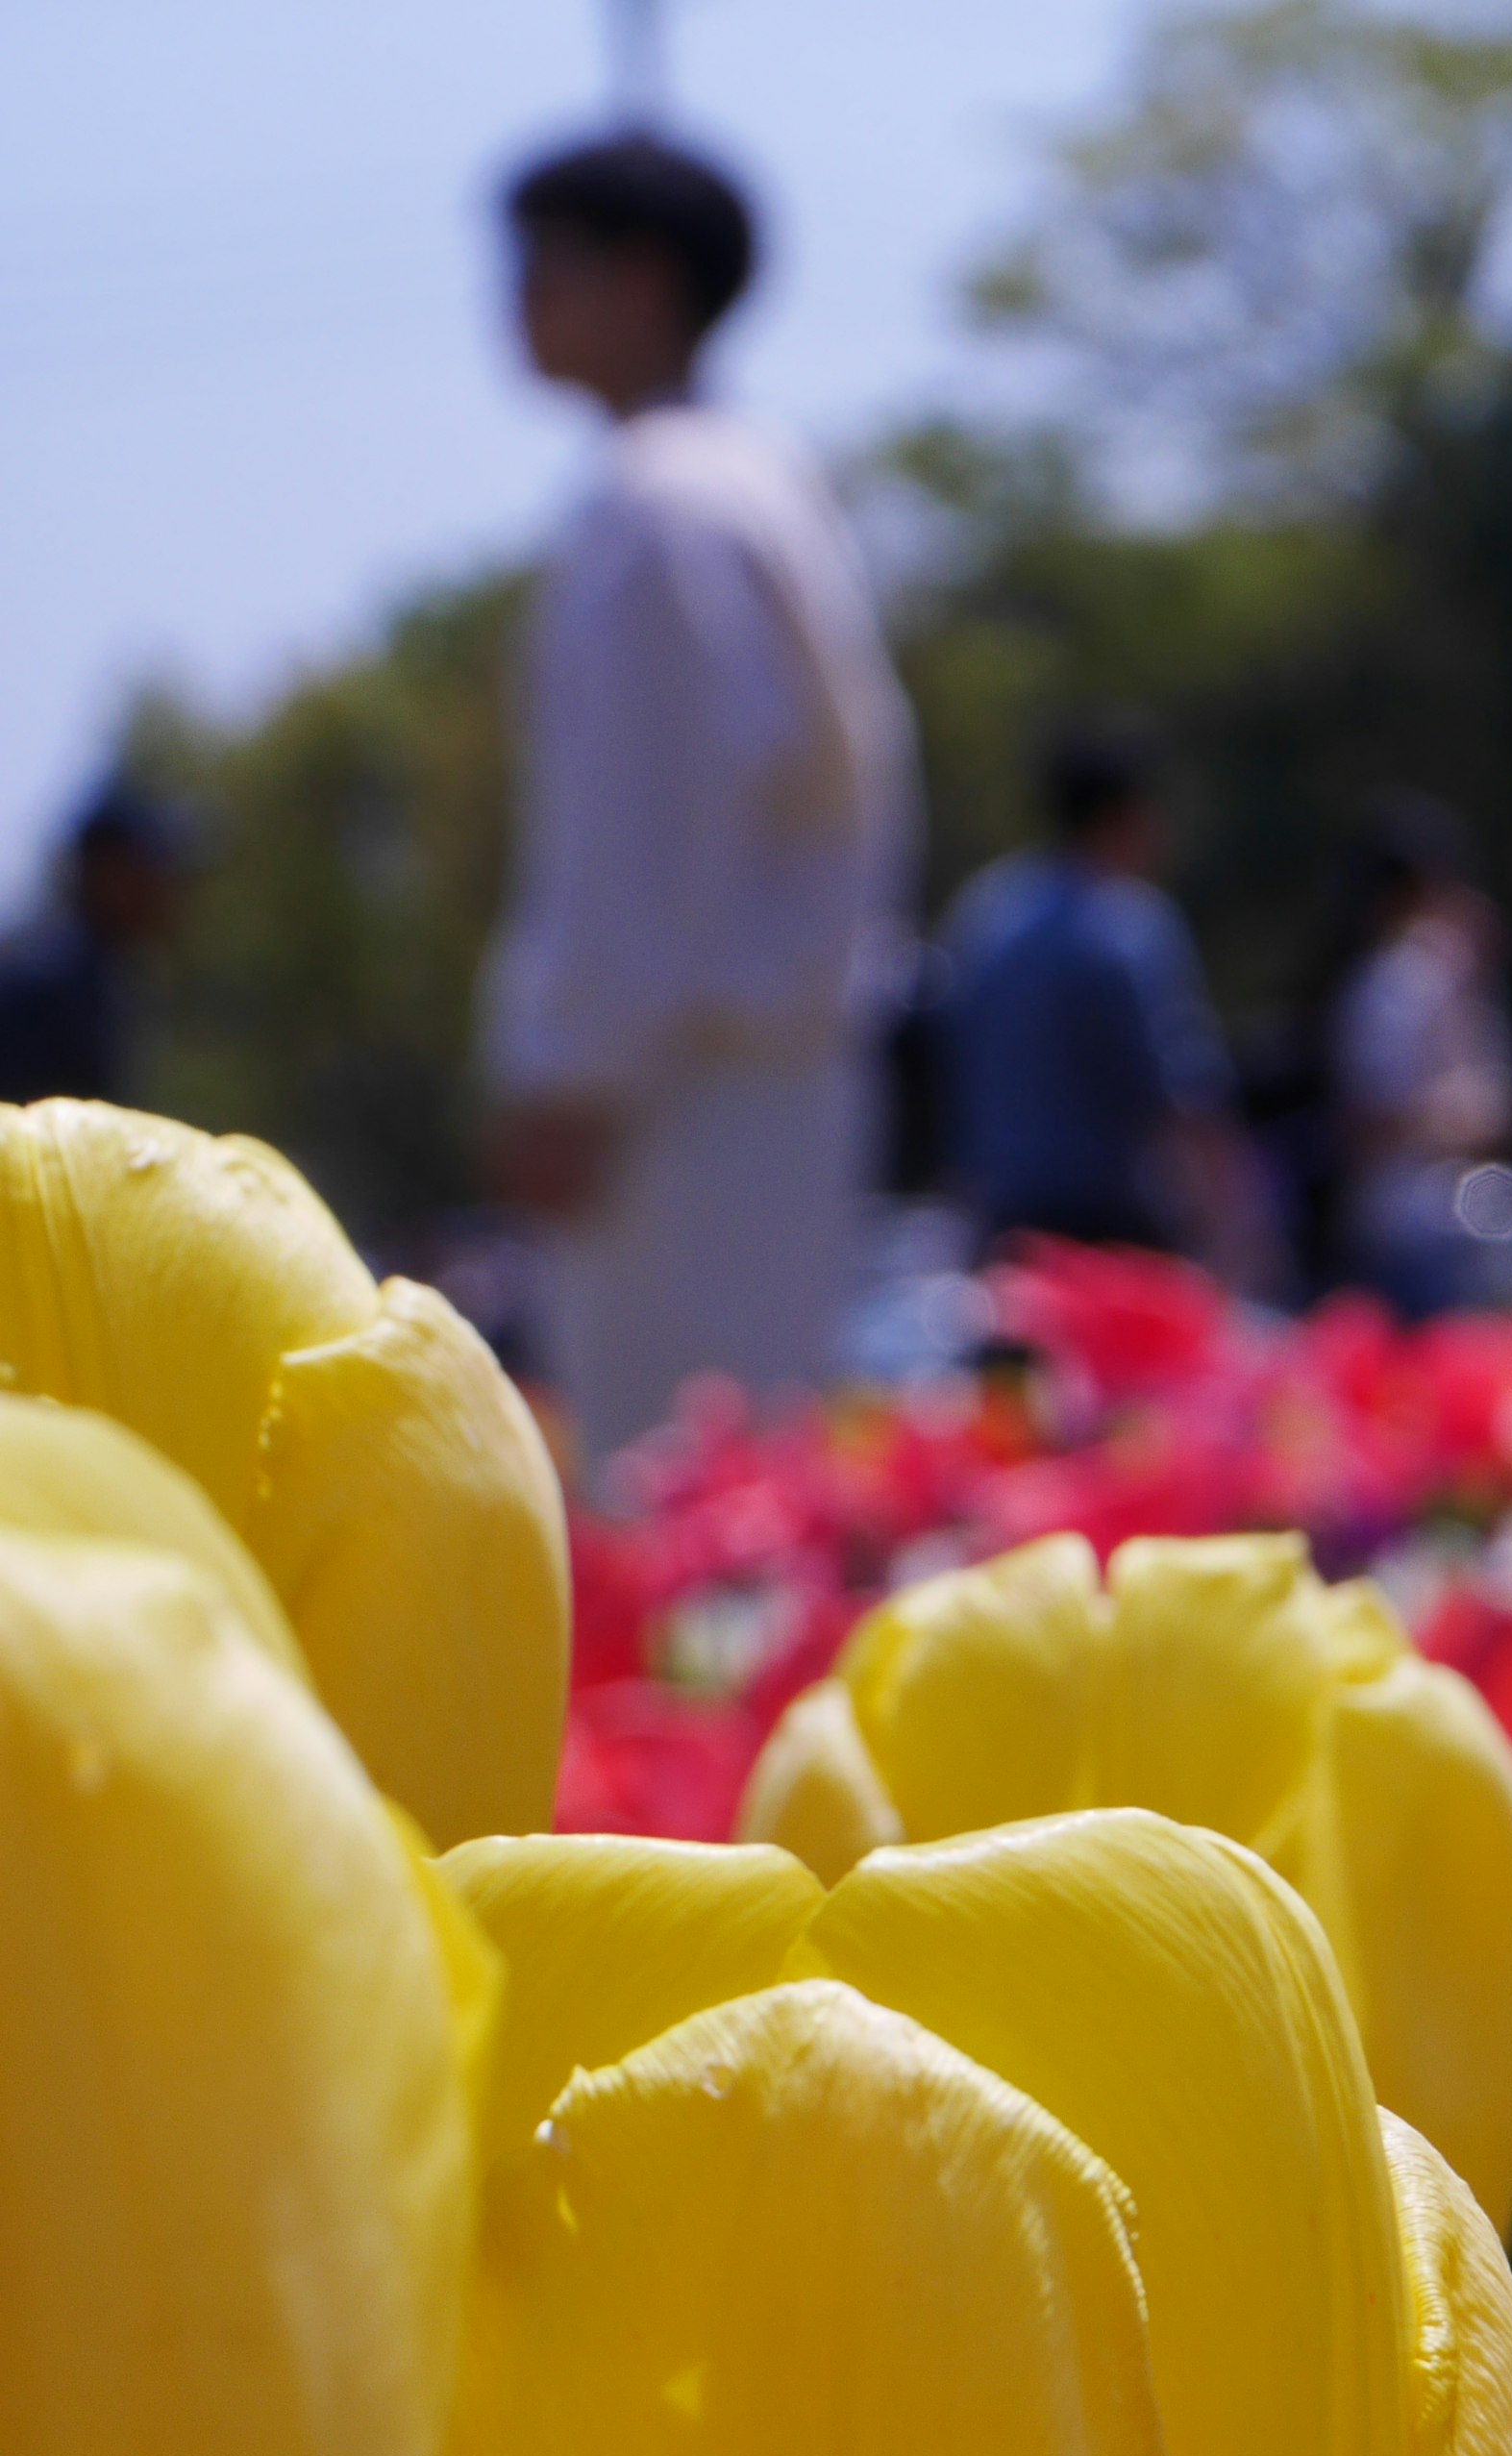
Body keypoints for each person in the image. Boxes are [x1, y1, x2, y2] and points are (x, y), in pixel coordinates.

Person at [475, 131, 913, 1463]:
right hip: (756, 1076)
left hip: (677, 1099)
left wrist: (570, 1075)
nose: (517, 297)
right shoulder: (754, 478)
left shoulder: (661, 508)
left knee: (677, 1496)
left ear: (645, 279)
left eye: (547, 263)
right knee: (749, 1485)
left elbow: (644, 839)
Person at [941, 728, 1251, 1265]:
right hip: (1104, 1229)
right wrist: (1233, 1236)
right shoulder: (1128, 923)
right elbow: (1184, 1099)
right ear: (1128, 812)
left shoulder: (985, 913)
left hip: (1000, 1223)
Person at [1324, 795, 1512, 1317]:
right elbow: (1369, 1120)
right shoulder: (1397, 981)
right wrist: (1456, 1120)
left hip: (1462, 1219)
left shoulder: (1447, 974)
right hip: (1417, 1228)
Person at [0, 781, 187, 1104]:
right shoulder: (51, 984)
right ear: (108, 875)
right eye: (154, 869)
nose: (169, 888)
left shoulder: (98, 975)